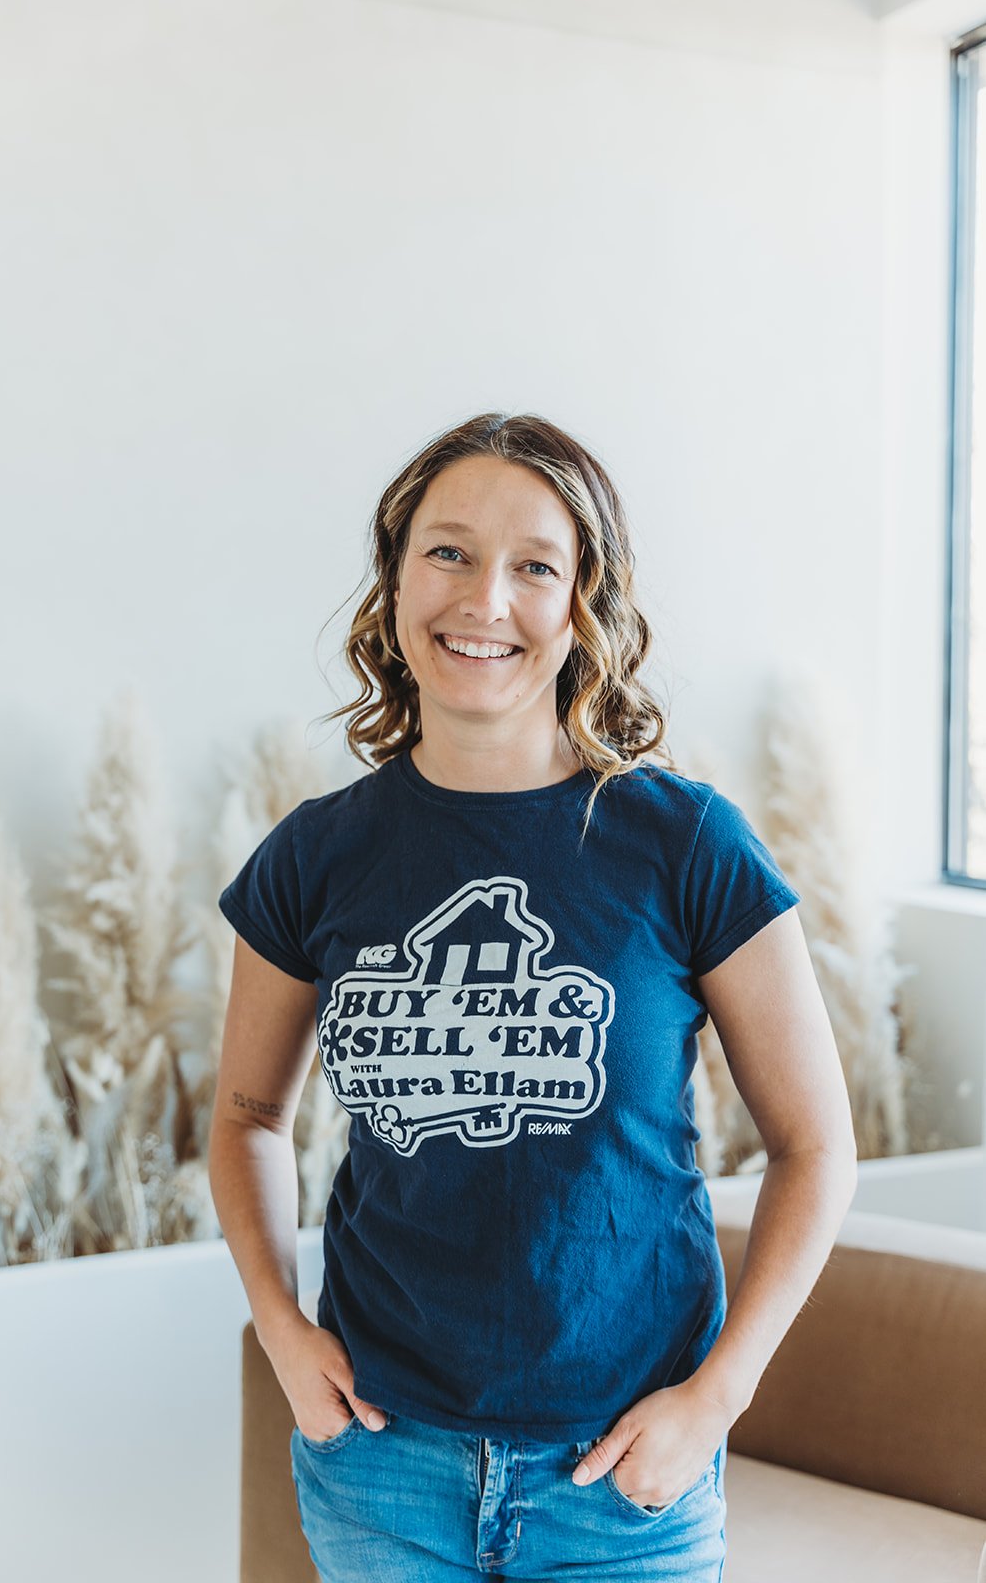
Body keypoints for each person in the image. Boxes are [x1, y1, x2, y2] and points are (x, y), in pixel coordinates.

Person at [209, 412, 858, 1582]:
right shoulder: (318, 854)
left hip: (618, 1473)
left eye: (534, 566)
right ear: (395, 578)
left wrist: (716, 1397)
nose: (484, 599)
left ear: (582, 601)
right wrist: (281, 1325)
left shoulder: (683, 842)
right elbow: (248, 1116)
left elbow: (815, 1147)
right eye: (447, 551)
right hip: (381, 1462)